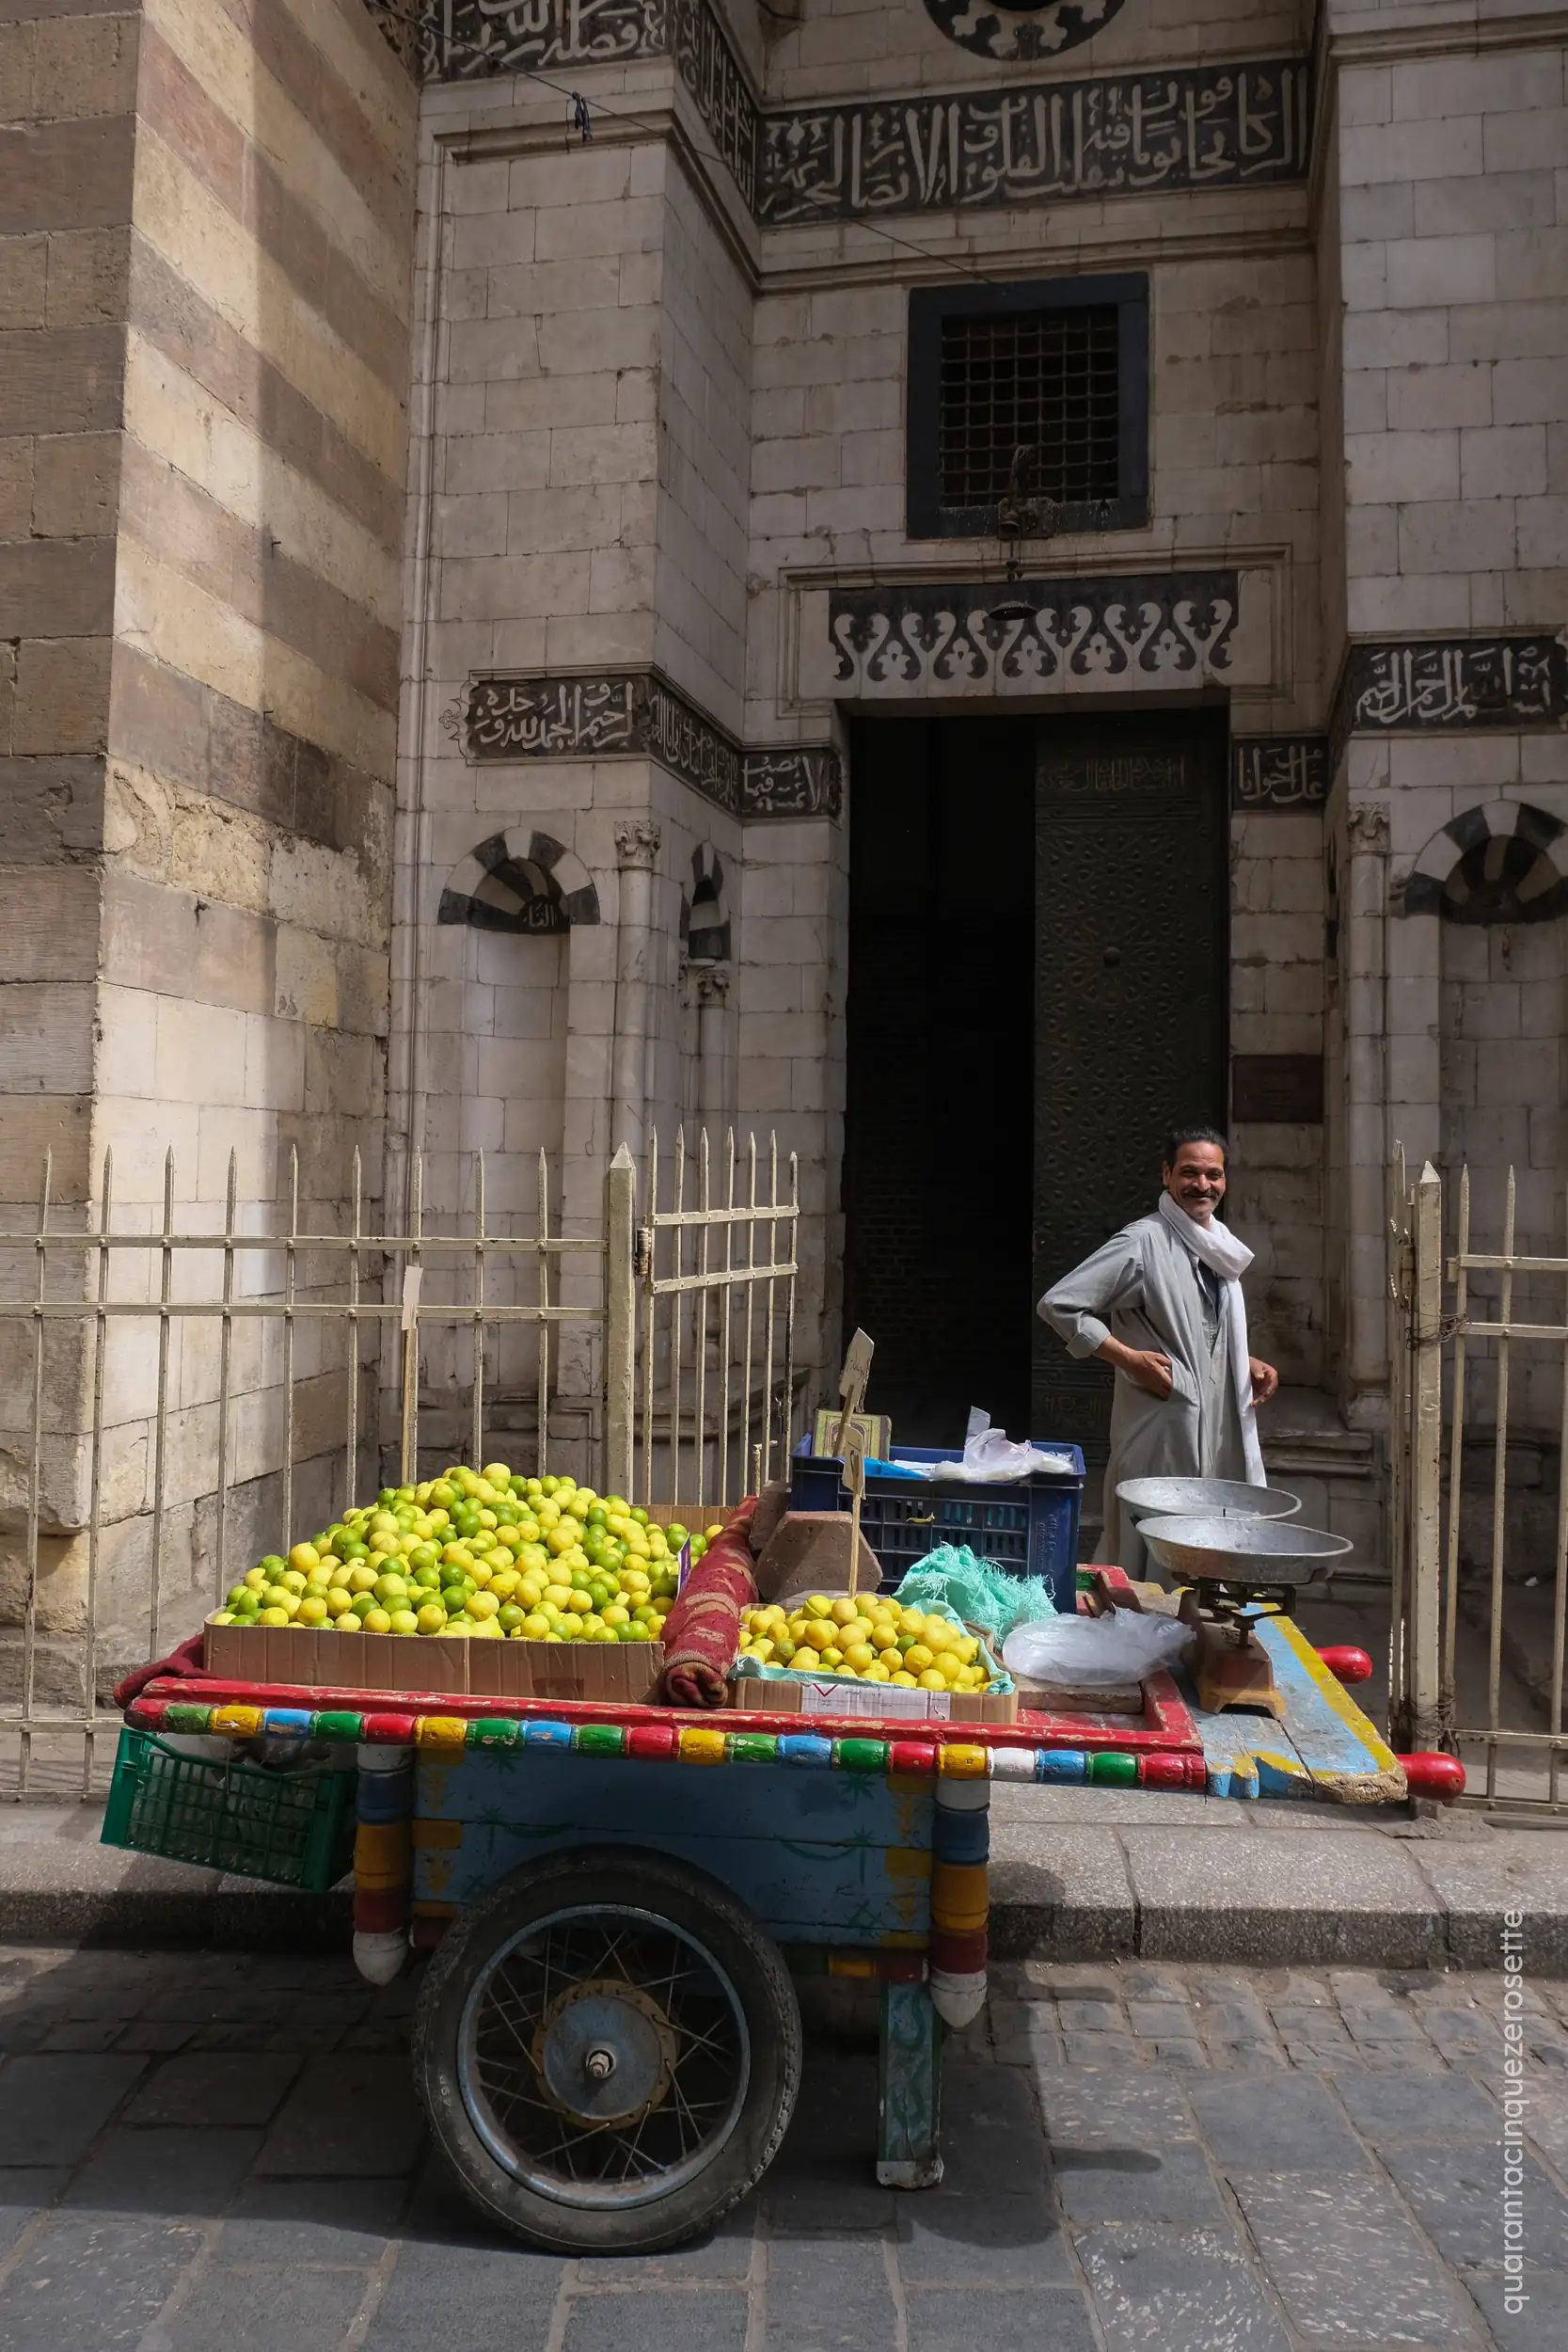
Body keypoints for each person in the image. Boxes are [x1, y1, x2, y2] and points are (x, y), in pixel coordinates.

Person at [1037, 1127, 1279, 1577]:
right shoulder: (1144, 1241)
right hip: (1158, 1434)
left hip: (1212, 1438)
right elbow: (1059, 1305)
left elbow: (1200, 1332)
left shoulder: (1220, 1249)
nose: (1202, 1185)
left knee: (1198, 1560)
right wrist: (1129, 1359)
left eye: (1213, 1174)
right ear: (1167, 1175)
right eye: (1189, 1173)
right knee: (1144, 1558)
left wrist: (1240, 1361)